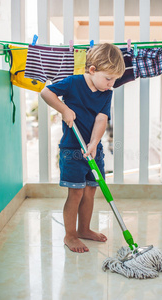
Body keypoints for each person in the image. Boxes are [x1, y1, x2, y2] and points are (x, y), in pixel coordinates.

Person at [41, 43, 125, 253]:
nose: (111, 84)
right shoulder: (74, 82)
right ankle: (70, 235)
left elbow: (101, 118)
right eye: (108, 78)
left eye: (115, 79)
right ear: (92, 70)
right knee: (76, 193)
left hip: (93, 150)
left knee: (90, 191)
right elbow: (45, 92)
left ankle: (84, 229)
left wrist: (94, 142)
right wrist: (64, 109)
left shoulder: (106, 93)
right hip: (72, 149)